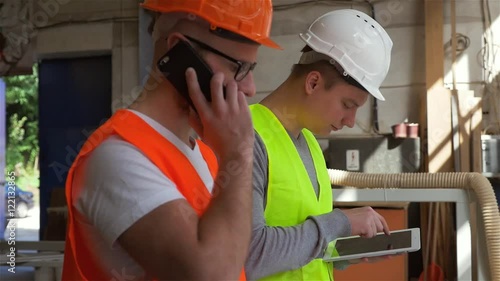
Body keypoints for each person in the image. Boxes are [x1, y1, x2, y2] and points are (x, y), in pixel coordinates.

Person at [62, 1, 281, 280]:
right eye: (239, 67)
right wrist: (238, 154)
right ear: (179, 51)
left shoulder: (208, 153)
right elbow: (212, 274)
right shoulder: (118, 156)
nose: (249, 88)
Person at [245, 9, 394, 281]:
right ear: (313, 82)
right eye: (348, 105)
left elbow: (306, 248)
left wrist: (347, 251)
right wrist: (341, 222)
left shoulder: (311, 144)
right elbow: (250, 256)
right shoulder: (246, 137)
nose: (350, 121)